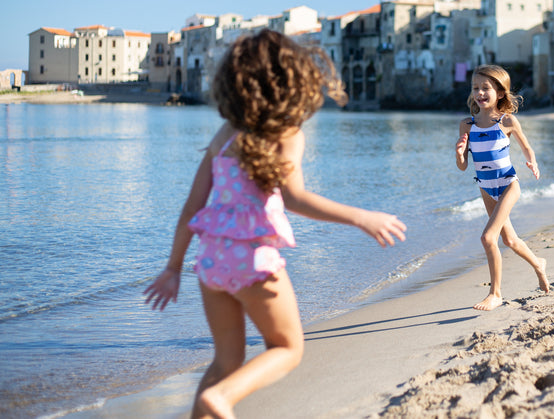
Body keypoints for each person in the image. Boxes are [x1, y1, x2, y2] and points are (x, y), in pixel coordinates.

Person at [144, 29, 407, 419]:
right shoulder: (287, 134)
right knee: (287, 348)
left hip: (211, 262)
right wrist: (361, 217)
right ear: (292, 82)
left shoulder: (224, 135)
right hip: (253, 260)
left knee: (225, 362)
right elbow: (295, 198)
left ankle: (213, 400)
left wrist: (172, 268)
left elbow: (190, 209)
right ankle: (220, 400)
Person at [454, 65, 549, 311]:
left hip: (508, 184)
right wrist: (459, 153)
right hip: (485, 188)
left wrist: (532, 162)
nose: (479, 93)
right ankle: (538, 263)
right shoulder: (467, 125)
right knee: (510, 240)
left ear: (500, 92)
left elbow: (526, 147)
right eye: (475, 88)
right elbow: (463, 167)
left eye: (485, 88)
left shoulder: (506, 121)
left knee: (488, 238)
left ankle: (495, 294)